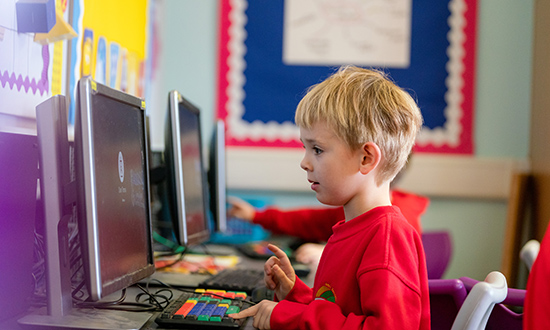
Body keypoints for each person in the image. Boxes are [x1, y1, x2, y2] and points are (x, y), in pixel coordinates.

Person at [229, 66, 430, 330]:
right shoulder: (353, 228)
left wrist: (288, 317)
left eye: (318, 149)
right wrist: (295, 295)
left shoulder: (387, 238)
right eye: (306, 148)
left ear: (366, 158)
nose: (305, 162)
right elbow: (340, 311)